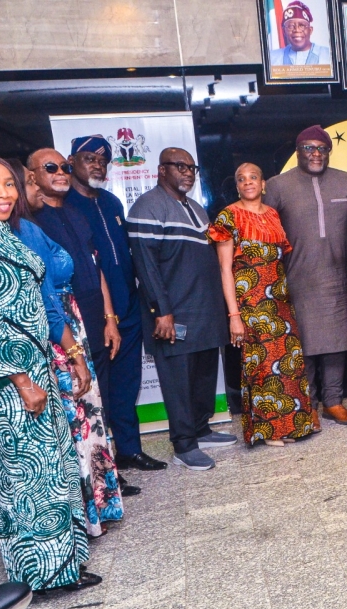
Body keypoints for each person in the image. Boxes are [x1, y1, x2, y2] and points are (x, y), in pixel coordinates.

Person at [0, 154, 99, 591]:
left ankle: (61, 566)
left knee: (51, 467)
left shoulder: (4, 234)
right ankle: (42, 574)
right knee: (26, 472)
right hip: (5, 377)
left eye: (9, 184)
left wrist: (60, 357)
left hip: (33, 367)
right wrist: (21, 381)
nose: (4, 194)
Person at [8, 160, 127, 536]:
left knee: (87, 420)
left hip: (71, 323)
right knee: (76, 422)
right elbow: (44, 300)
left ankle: (99, 506)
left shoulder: (32, 226)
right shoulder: (24, 231)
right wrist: (74, 353)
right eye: (30, 181)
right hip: (58, 334)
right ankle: (87, 518)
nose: (36, 188)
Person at [127, 148, 235, 470]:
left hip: (203, 310)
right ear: (162, 170)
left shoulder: (197, 208)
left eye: (192, 167)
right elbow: (146, 267)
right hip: (173, 313)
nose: (188, 172)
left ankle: (200, 428)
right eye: (180, 166)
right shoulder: (148, 206)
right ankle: (184, 445)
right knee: (178, 382)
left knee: (203, 376)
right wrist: (162, 311)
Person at [65, 135, 166, 472]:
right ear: (71, 161)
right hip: (94, 316)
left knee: (127, 385)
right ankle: (103, 466)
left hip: (128, 309)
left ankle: (129, 450)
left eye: (102, 160)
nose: (96, 164)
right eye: (88, 158)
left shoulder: (111, 203)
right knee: (101, 392)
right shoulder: (64, 206)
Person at [210, 163, 319, 446]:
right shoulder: (228, 217)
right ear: (237, 186)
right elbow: (224, 270)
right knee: (263, 367)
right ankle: (269, 431)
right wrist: (234, 315)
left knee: (289, 363)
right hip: (251, 304)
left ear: (263, 184)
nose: (248, 182)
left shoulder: (272, 214)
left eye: (253, 177)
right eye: (241, 179)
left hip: (280, 302)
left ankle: (294, 425)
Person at [263, 126, 347, 425]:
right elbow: (268, 234)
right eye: (309, 148)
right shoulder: (279, 185)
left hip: (337, 276)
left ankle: (333, 401)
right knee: (304, 343)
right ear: (298, 151)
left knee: (337, 340)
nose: (316, 153)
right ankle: (309, 405)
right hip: (298, 277)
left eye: (322, 148)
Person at [27, 149, 122, 370]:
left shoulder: (78, 215)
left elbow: (97, 268)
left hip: (97, 323)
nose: (60, 172)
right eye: (51, 168)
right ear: (32, 176)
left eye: (65, 168)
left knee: (102, 399)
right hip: (63, 328)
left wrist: (109, 318)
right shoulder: (30, 223)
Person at [272, 0, 332, 66]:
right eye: (291, 26)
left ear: (310, 30)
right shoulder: (272, 57)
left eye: (301, 25)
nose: (297, 30)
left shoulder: (328, 55)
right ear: (284, 31)